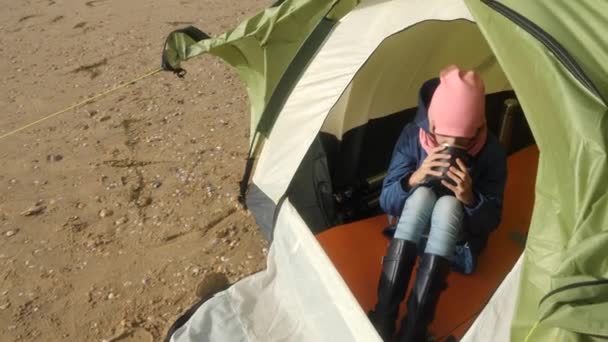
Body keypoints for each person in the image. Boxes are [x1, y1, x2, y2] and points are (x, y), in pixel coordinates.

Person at [368, 65, 508, 341]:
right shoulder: (413, 136)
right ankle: (384, 315)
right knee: (420, 196)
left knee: (449, 206)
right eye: (444, 135)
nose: (452, 143)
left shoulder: (491, 152)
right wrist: (415, 178)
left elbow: (491, 221)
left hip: (454, 246)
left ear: (479, 127)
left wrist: (470, 198)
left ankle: (414, 329)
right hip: (412, 235)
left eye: (464, 138)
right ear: (431, 124)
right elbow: (387, 201)